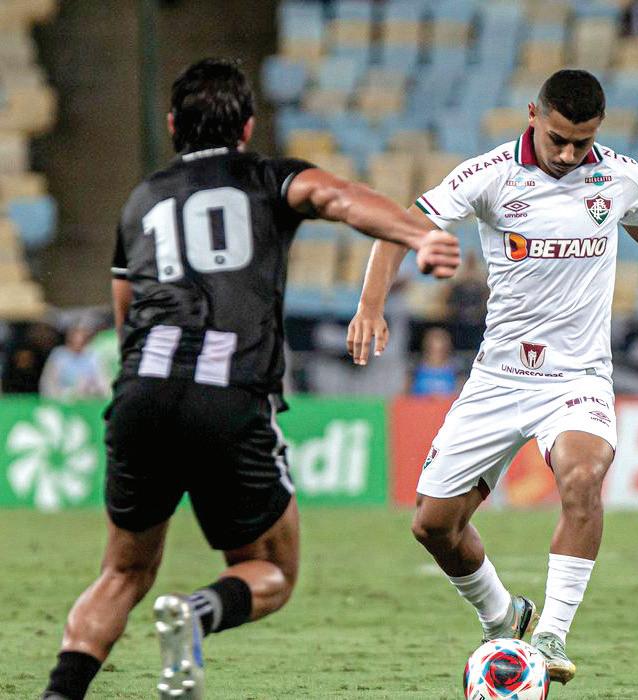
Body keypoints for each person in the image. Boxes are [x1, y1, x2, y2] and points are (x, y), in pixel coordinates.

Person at [346, 69, 638, 685]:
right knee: (433, 526)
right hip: (499, 378)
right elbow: (402, 227)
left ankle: (550, 637)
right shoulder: (489, 175)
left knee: (582, 478)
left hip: (577, 379)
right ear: (534, 115)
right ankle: (503, 616)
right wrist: (370, 307)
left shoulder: (621, 177)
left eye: (583, 142)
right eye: (558, 139)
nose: (570, 154)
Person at [40, 58, 460, 700]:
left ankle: (59, 692)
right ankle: (197, 614)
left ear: (173, 125)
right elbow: (338, 197)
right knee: (271, 570)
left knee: (122, 573)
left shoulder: (142, 200)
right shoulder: (267, 176)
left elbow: (126, 318)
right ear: (248, 127)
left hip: (142, 394)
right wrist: (418, 236)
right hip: (228, 393)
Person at [39, 323, 111, 400]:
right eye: (75, 341)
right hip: (62, 398)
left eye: (81, 341)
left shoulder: (93, 356)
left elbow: (103, 381)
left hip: (87, 398)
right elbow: (48, 382)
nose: (77, 344)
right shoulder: (59, 355)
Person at [410, 326, 460, 396]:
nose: (436, 354)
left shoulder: (457, 373)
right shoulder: (414, 371)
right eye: (432, 349)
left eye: (440, 350)